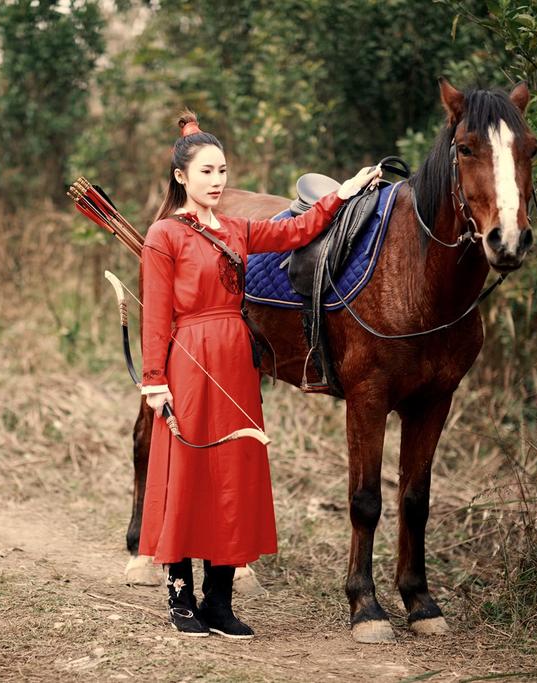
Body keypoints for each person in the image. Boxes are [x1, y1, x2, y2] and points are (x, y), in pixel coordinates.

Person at [139, 109, 382, 639]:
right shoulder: (164, 235)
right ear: (181, 177)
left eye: (222, 170)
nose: (217, 180)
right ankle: (180, 600)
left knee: (232, 475)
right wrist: (155, 379)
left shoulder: (237, 229)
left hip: (236, 356)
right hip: (189, 358)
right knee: (189, 473)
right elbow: (156, 314)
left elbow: (298, 229)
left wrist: (343, 193)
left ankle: (219, 603)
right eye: (206, 171)